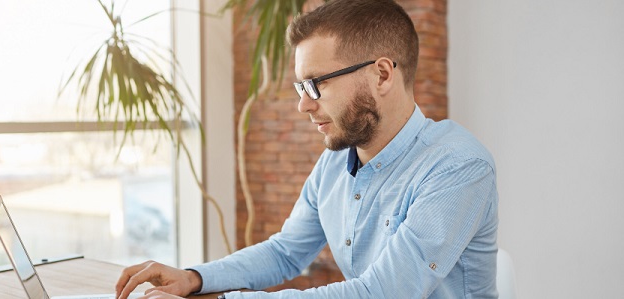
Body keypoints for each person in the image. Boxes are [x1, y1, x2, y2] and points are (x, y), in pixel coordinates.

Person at [115, 0, 499, 298]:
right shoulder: (334, 163)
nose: (304, 104)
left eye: (316, 83)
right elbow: (285, 253)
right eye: (301, 87)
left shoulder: (458, 166)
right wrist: (194, 278)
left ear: (382, 74)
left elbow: (381, 293)